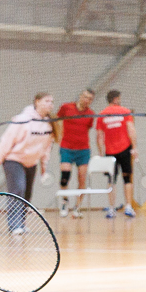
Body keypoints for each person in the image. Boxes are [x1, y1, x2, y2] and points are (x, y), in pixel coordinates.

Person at [0, 92, 54, 235]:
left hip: (31, 162)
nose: (50, 104)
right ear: (37, 102)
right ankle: (14, 225)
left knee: (27, 193)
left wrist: (44, 165)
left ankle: (21, 223)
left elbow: (46, 147)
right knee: (17, 190)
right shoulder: (22, 120)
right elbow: (7, 139)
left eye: (52, 102)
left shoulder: (49, 124)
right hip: (13, 160)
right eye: (46, 101)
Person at [55, 88, 96, 216]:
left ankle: (77, 207)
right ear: (80, 96)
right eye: (85, 97)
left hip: (83, 150)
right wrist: (57, 136)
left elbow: (87, 129)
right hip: (67, 148)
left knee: (82, 179)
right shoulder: (66, 107)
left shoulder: (91, 114)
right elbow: (56, 121)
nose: (87, 100)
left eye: (90, 99)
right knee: (65, 176)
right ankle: (64, 202)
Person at [97, 89, 137, 218]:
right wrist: (134, 148)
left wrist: (101, 154)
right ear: (116, 99)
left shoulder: (101, 114)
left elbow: (99, 136)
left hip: (109, 152)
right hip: (125, 149)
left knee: (111, 180)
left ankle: (111, 208)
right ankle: (128, 207)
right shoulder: (125, 111)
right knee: (127, 178)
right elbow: (131, 129)